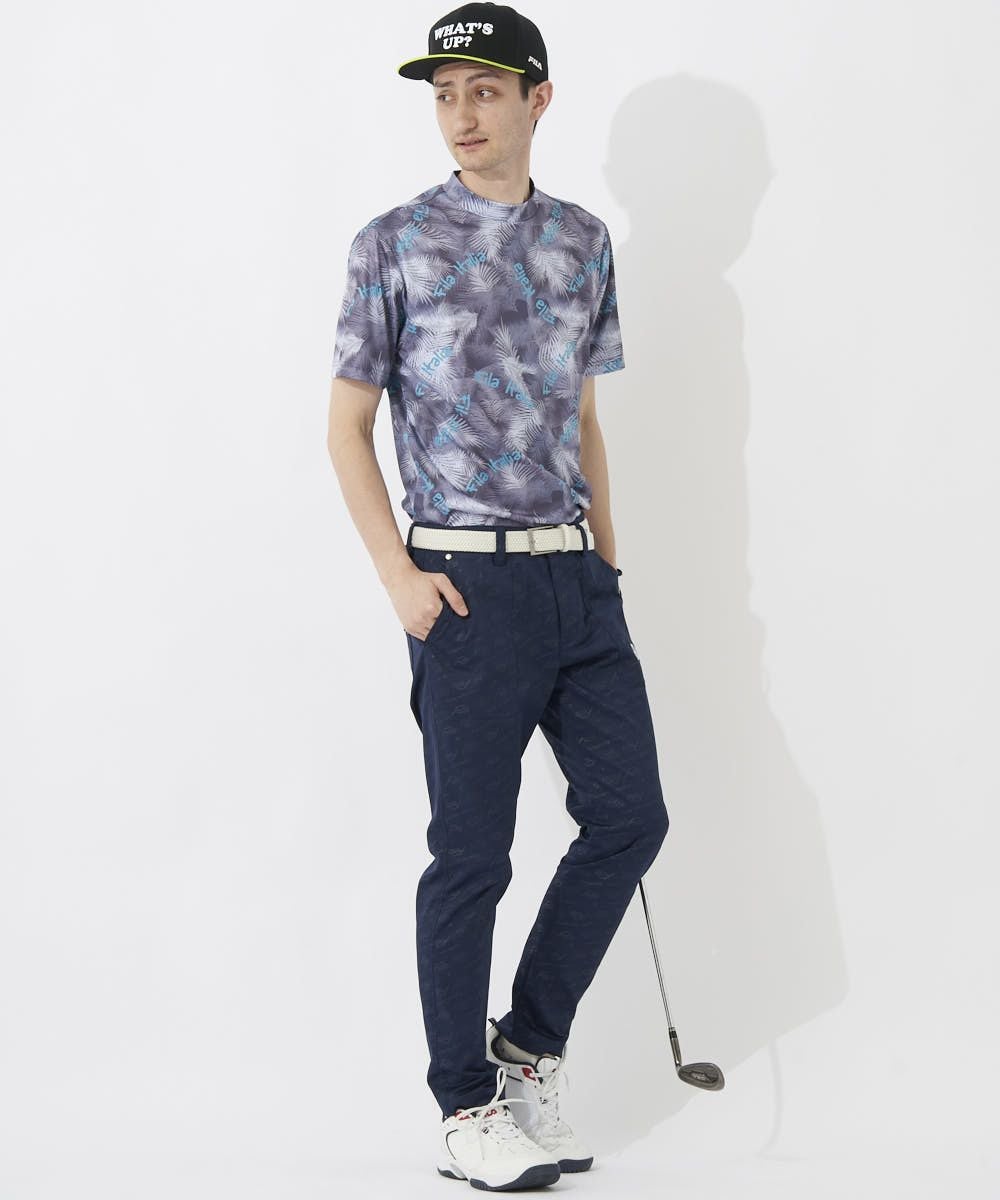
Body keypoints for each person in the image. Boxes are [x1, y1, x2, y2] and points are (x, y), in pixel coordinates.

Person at [327, 2, 669, 1189]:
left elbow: (582, 414)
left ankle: (526, 1048)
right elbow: (345, 425)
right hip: (462, 585)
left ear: (537, 99)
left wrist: (606, 563)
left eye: (483, 90)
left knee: (629, 819)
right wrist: (397, 576)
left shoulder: (581, 240)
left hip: (575, 580)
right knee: (471, 855)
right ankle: (463, 1105)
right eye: (443, 94)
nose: (460, 116)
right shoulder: (394, 242)